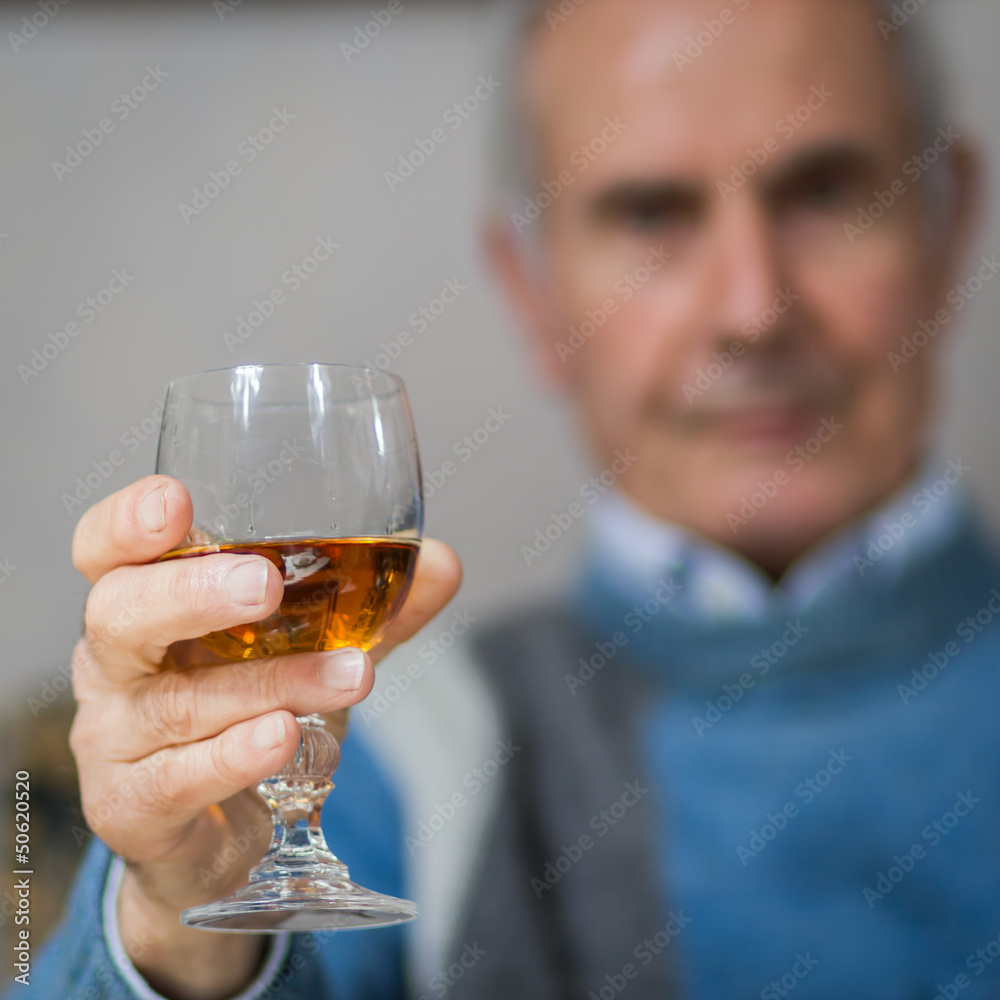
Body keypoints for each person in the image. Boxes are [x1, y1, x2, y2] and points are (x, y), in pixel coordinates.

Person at [27, 0, 1000, 997]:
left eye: (822, 193)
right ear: (533, 290)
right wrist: (174, 929)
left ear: (950, 224)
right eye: (652, 213)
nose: (751, 309)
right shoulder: (380, 740)